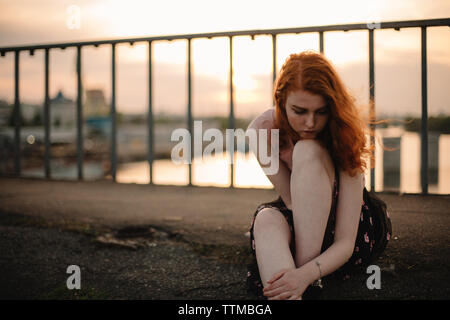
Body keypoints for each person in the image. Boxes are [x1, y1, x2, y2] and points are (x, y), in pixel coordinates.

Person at [246, 51, 391, 300]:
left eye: (321, 112)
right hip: (303, 214)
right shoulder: (261, 131)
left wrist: (304, 274)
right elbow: (291, 202)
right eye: (299, 111)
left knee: (307, 149)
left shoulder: (344, 132)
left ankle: (308, 282)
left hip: (350, 227)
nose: (310, 123)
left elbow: (345, 243)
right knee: (267, 219)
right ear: (280, 101)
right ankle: (289, 293)